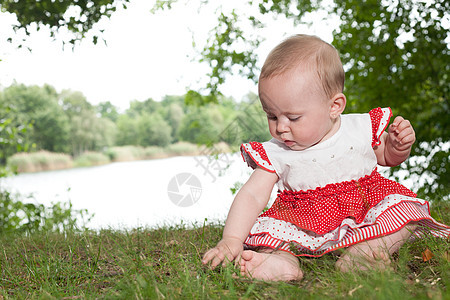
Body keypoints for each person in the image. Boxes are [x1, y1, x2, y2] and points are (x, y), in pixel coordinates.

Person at [201, 34, 450, 281]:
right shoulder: (277, 152)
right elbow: (252, 195)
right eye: (272, 116)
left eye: (293, 117)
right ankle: (281, 264)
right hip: (302, 221)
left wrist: (397, 145)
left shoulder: (358, 128)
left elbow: (387, 156)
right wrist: (231, 239)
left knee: (406, 213)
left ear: (334, 106)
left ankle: (367, 252)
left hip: (364, 209)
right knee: (274, 238)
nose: (280, 127)